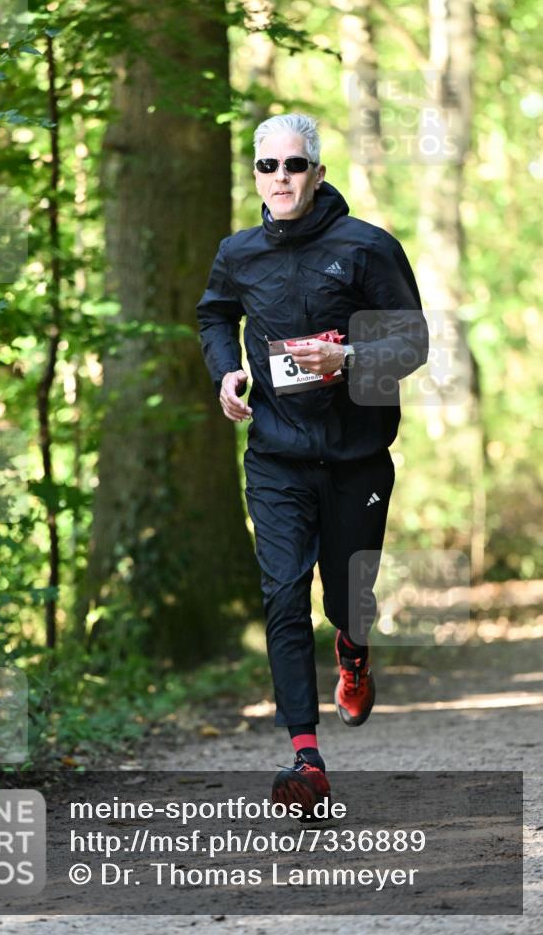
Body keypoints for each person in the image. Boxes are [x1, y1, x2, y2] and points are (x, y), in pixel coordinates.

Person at [196, 113, 428, 813]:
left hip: (357, 455)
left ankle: (353, 650)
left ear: (317, 172)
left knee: (344, 596)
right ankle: (305, 755)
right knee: (281, 593)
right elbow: (213, 314)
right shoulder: (239, 252)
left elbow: (412, 342)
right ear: (256, 177)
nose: (280, 178)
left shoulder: (366, 247)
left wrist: (350, 357)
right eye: (267, 167)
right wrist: (227, 372)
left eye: (293, 165)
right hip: (275, 455)